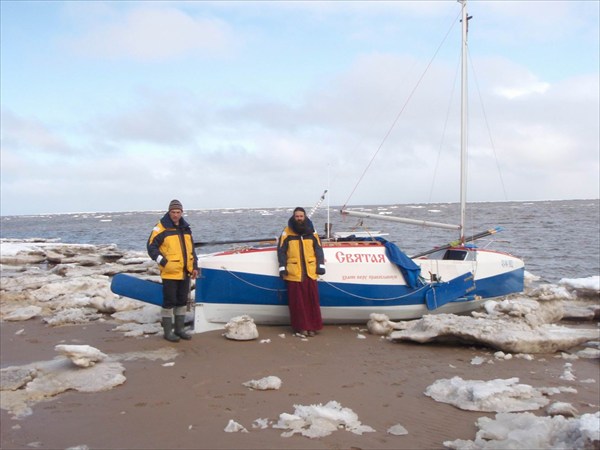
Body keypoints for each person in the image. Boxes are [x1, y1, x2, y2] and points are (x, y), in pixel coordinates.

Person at [147, 199, 199, 342]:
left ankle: (180, 329)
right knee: (170, 301)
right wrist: (162, 261)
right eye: (173, 212)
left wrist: (194, 266)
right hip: (170, 271)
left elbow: (191, 250)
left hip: (185, 271)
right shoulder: (161, 228)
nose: (175, 215)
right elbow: (151, 247)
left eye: (178, 212)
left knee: (182, 300)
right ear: (169, 212)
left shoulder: (186, 228)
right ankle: (168, 332)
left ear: (182, 213)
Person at [277, 207, 326, 337]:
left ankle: (313, 327)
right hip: (294, 273)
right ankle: (301, 327)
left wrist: (320, 265)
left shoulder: (312, 231)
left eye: (301, 216)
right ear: (294, 217)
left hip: (310, 271)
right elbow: (281, 251)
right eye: (297, 216)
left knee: (312, 301)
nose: (299, 218)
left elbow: (318, 249)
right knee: (297, 303)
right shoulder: (287, 232)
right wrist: (282, 268)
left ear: (305, 217)